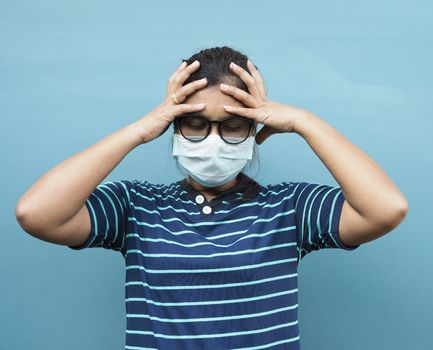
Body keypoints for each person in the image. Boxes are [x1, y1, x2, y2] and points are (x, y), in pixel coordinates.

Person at [15, 46, 408, 349]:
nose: (213, 141)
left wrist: (304, 122)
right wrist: (139, 129)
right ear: (173, 127)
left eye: (234, 127)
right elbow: (37, 214)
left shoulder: (290, 208)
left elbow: (386, 209)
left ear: (256, 130)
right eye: (195, 124)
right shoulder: (135, 206)